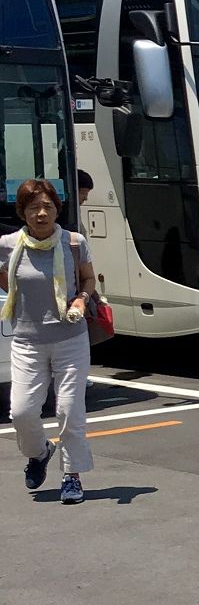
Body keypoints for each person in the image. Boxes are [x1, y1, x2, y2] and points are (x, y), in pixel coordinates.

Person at [3, 178, 98, 504]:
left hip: (70, 338)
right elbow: (5, 276)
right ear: (23, 213)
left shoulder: (73, 242)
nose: (41, 214)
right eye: (33, 208)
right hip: (27, 341)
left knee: (70, 410)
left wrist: (82, 298)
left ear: (57, 208)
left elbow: (88, 278)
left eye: (47, 207)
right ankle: (39, 452)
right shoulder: (8, 244)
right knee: (21, 411)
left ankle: (72, 476)